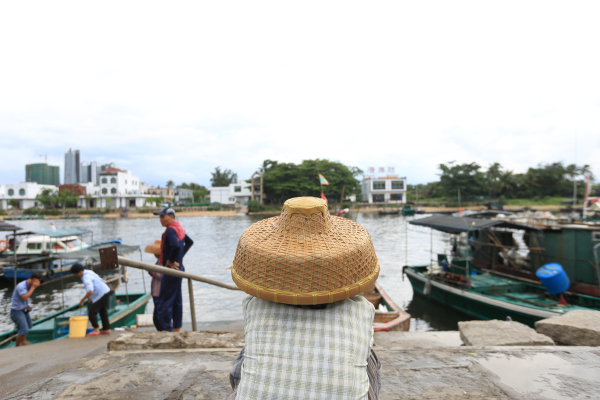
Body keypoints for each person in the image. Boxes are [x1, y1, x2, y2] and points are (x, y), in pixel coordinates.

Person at [227, 197, 381, 399]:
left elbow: (236, 378)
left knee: (248, 358)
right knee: (369, 362)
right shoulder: (361, 310)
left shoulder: (256, 307)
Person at [153, 207, 194, 332]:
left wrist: (170, 261)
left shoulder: (171, 230)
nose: (160, 220)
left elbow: (176, 246)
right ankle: (177, 328)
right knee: (176, 299)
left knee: (164, 301)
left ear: (171, 217)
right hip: (179, 268)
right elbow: (189, 242)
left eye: (163, 217)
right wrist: (179, 258)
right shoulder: (179, 229)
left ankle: (166, 330)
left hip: (171, 270)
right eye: (159, 217)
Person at [70, 263, 112, 336]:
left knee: (92, 312)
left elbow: (90, 290)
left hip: (101, 293)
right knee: (103, 311)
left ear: (79, 272)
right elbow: (94, 284)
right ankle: (106, 329)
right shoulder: (89, 271)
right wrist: (90, 297)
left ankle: (96, 330)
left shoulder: (86, 277)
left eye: (75, 274)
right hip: (105, 291)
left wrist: (82, 300)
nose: (76, 276)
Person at [10, 272, 43, 347]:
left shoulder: (28, 285)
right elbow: (24, 297)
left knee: (29, 325)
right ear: (35, 280)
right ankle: (17, 346)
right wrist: (33, 287)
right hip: (16, 311)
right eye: (38, 281)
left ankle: (23, 341)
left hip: (23, 309)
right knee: (23, 329)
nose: (39, 283)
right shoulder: (21, 286)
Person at [144, 239, 164, 331]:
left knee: (158, 316)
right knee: (157, 316)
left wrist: (150, 270)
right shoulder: (159, 261)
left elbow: (160, 275)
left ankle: (163, 330)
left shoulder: (163, 261)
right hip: (156, 291)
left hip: (159, 291)